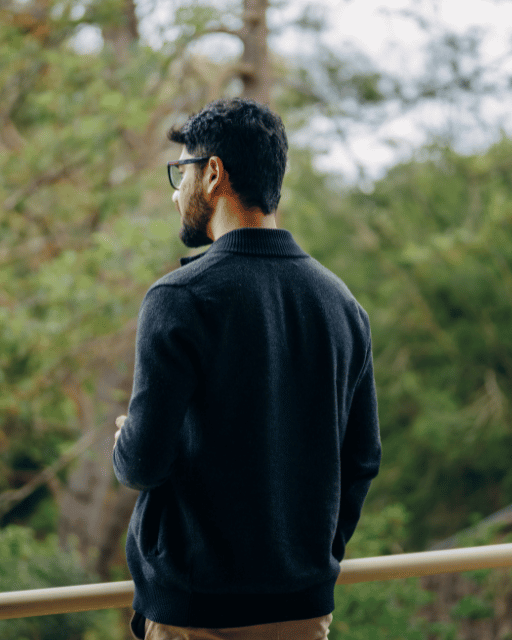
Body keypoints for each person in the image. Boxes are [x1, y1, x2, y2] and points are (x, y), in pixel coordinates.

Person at [112, 97, 381, 640]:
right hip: (303, 612)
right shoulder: (341, 303)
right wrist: (311, 561)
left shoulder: (179, 298)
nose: (174, 190)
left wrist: (126, 438)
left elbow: (141, 464)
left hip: (196, 615)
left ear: (212, 174)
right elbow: (361, 460)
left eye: (180, 170)